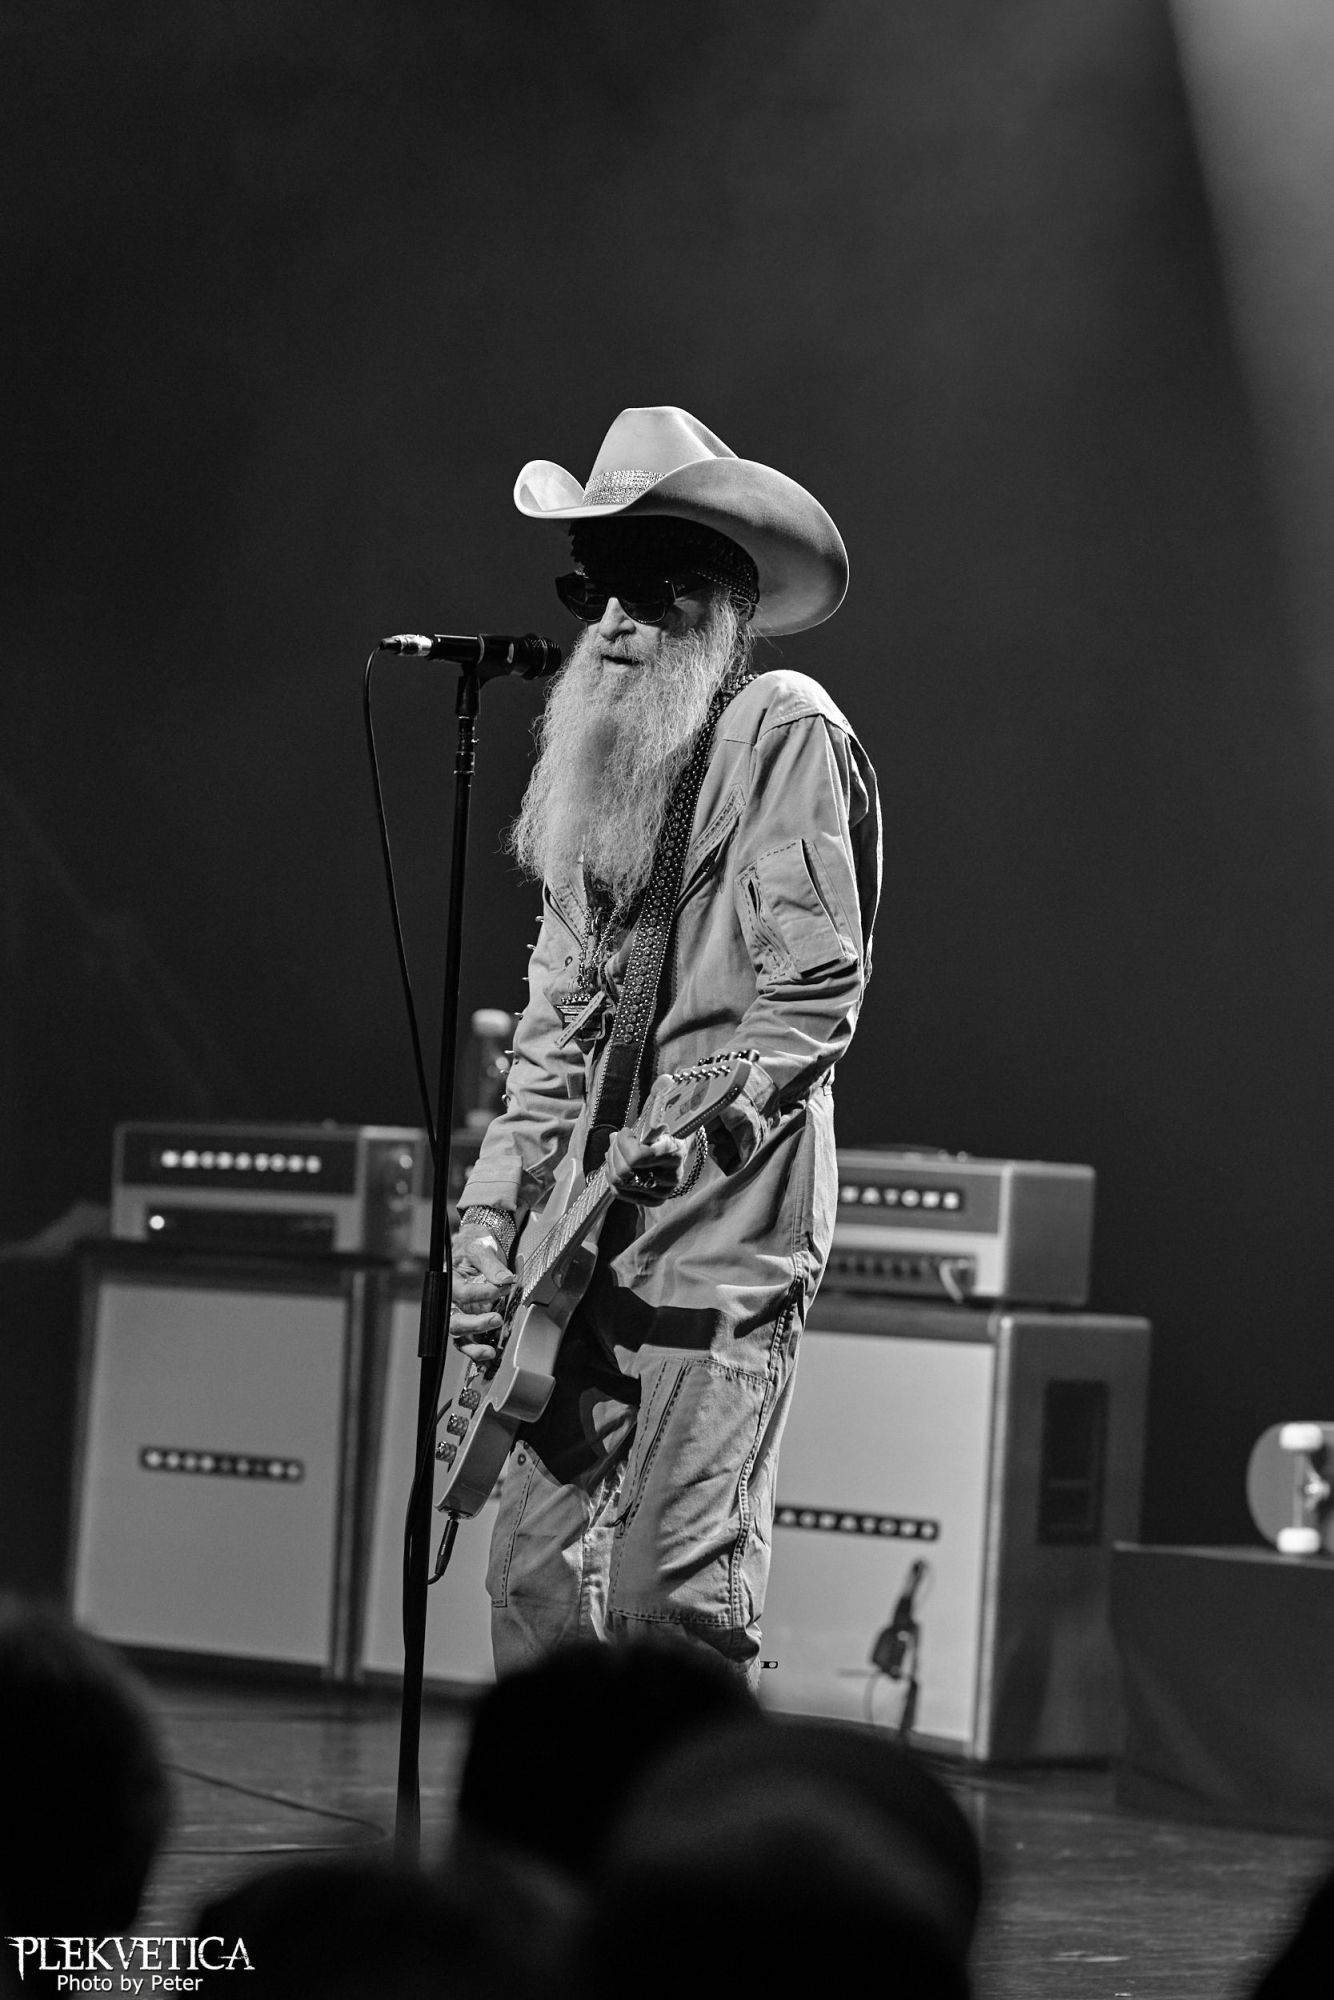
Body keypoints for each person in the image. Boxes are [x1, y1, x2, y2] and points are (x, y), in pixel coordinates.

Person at [450, 404, 880, 1680]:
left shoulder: (781, 729)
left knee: (667, 1604)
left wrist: (706, 1125)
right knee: (529, 1584)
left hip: (717, 1241)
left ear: (718, 602)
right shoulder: (593, 772)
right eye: (590, 586)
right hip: (573, 1256)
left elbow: (811, 993)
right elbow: (548, 1043)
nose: (611, 621)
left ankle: (694, 1816)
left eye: (644, 588)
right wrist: (485, 1228)